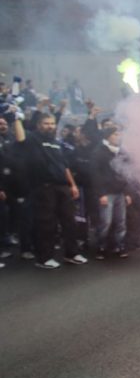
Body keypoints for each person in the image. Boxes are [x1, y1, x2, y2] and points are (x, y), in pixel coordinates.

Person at [14, 112, 87, 269]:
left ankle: (71, 254)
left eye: (52, 123)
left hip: (62, 186)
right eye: (46, 123)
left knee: (69, 221)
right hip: (43, 187)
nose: (50, 126)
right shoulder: (32, 138)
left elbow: (64, 165)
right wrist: (16, 118)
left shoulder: (56, 142)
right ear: (39, 124)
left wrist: (72, 185)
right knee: (47, 223)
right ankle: (44, 258)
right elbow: (20, 138)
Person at [90, 127, 132, 259]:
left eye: (119, 134)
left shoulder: (121, 152)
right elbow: (95, 175)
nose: (118, 136)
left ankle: (119, 245)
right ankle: (101, 246)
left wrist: (127, 192)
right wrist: (101, 194)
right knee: (105, 222)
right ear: (108, 136)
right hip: (106, 193)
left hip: (120, 192)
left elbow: (125, 173)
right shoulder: (98, 152)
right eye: (115, 134)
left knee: (121, 222)